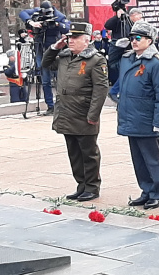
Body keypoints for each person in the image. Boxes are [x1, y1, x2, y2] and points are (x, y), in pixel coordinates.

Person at [41, 22, 108, 202]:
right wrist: (55, 46)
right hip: (66, 113)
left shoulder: (96, 60)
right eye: (69, 37)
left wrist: (93, 115)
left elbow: (100, 90)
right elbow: (45, 63)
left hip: (83, 113)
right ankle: (81, 185)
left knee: (89, 153)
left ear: (87, 40)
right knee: (74, 152)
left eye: (75, 38)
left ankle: (92, 187)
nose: (71, 40)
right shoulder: (64, 56)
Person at [117, 21, 159, 210]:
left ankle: (157, 193)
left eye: (138, 38)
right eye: (132, 37)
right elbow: (111, 62)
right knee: (138, 160)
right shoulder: (127, 59)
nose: (134, 41)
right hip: (130, 117)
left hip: (147, 119)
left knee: (152, 158)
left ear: (149, 41)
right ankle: (146, 191)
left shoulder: (157, 63)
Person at [19, 0, 70, 115]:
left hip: (55, 51)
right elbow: (22, 13)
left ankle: (63, 105)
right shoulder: (37, 12)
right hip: (40, 49)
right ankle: (50, 106)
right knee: (45, 80)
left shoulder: (59, 16)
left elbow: (68, 27)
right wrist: (31, 22)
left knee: (60, 79)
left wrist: (56, 24)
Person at [105, 7, 143, 99]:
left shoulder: (138, 26)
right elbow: (107, 25)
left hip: (131, 53)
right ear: (132, 16)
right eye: (139, 18)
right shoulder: (120, 22)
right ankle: (115, 90)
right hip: (118, 52)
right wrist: (117, 17)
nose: (140, 20)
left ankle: (116, 91)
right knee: (126, 71)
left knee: (130, 71)